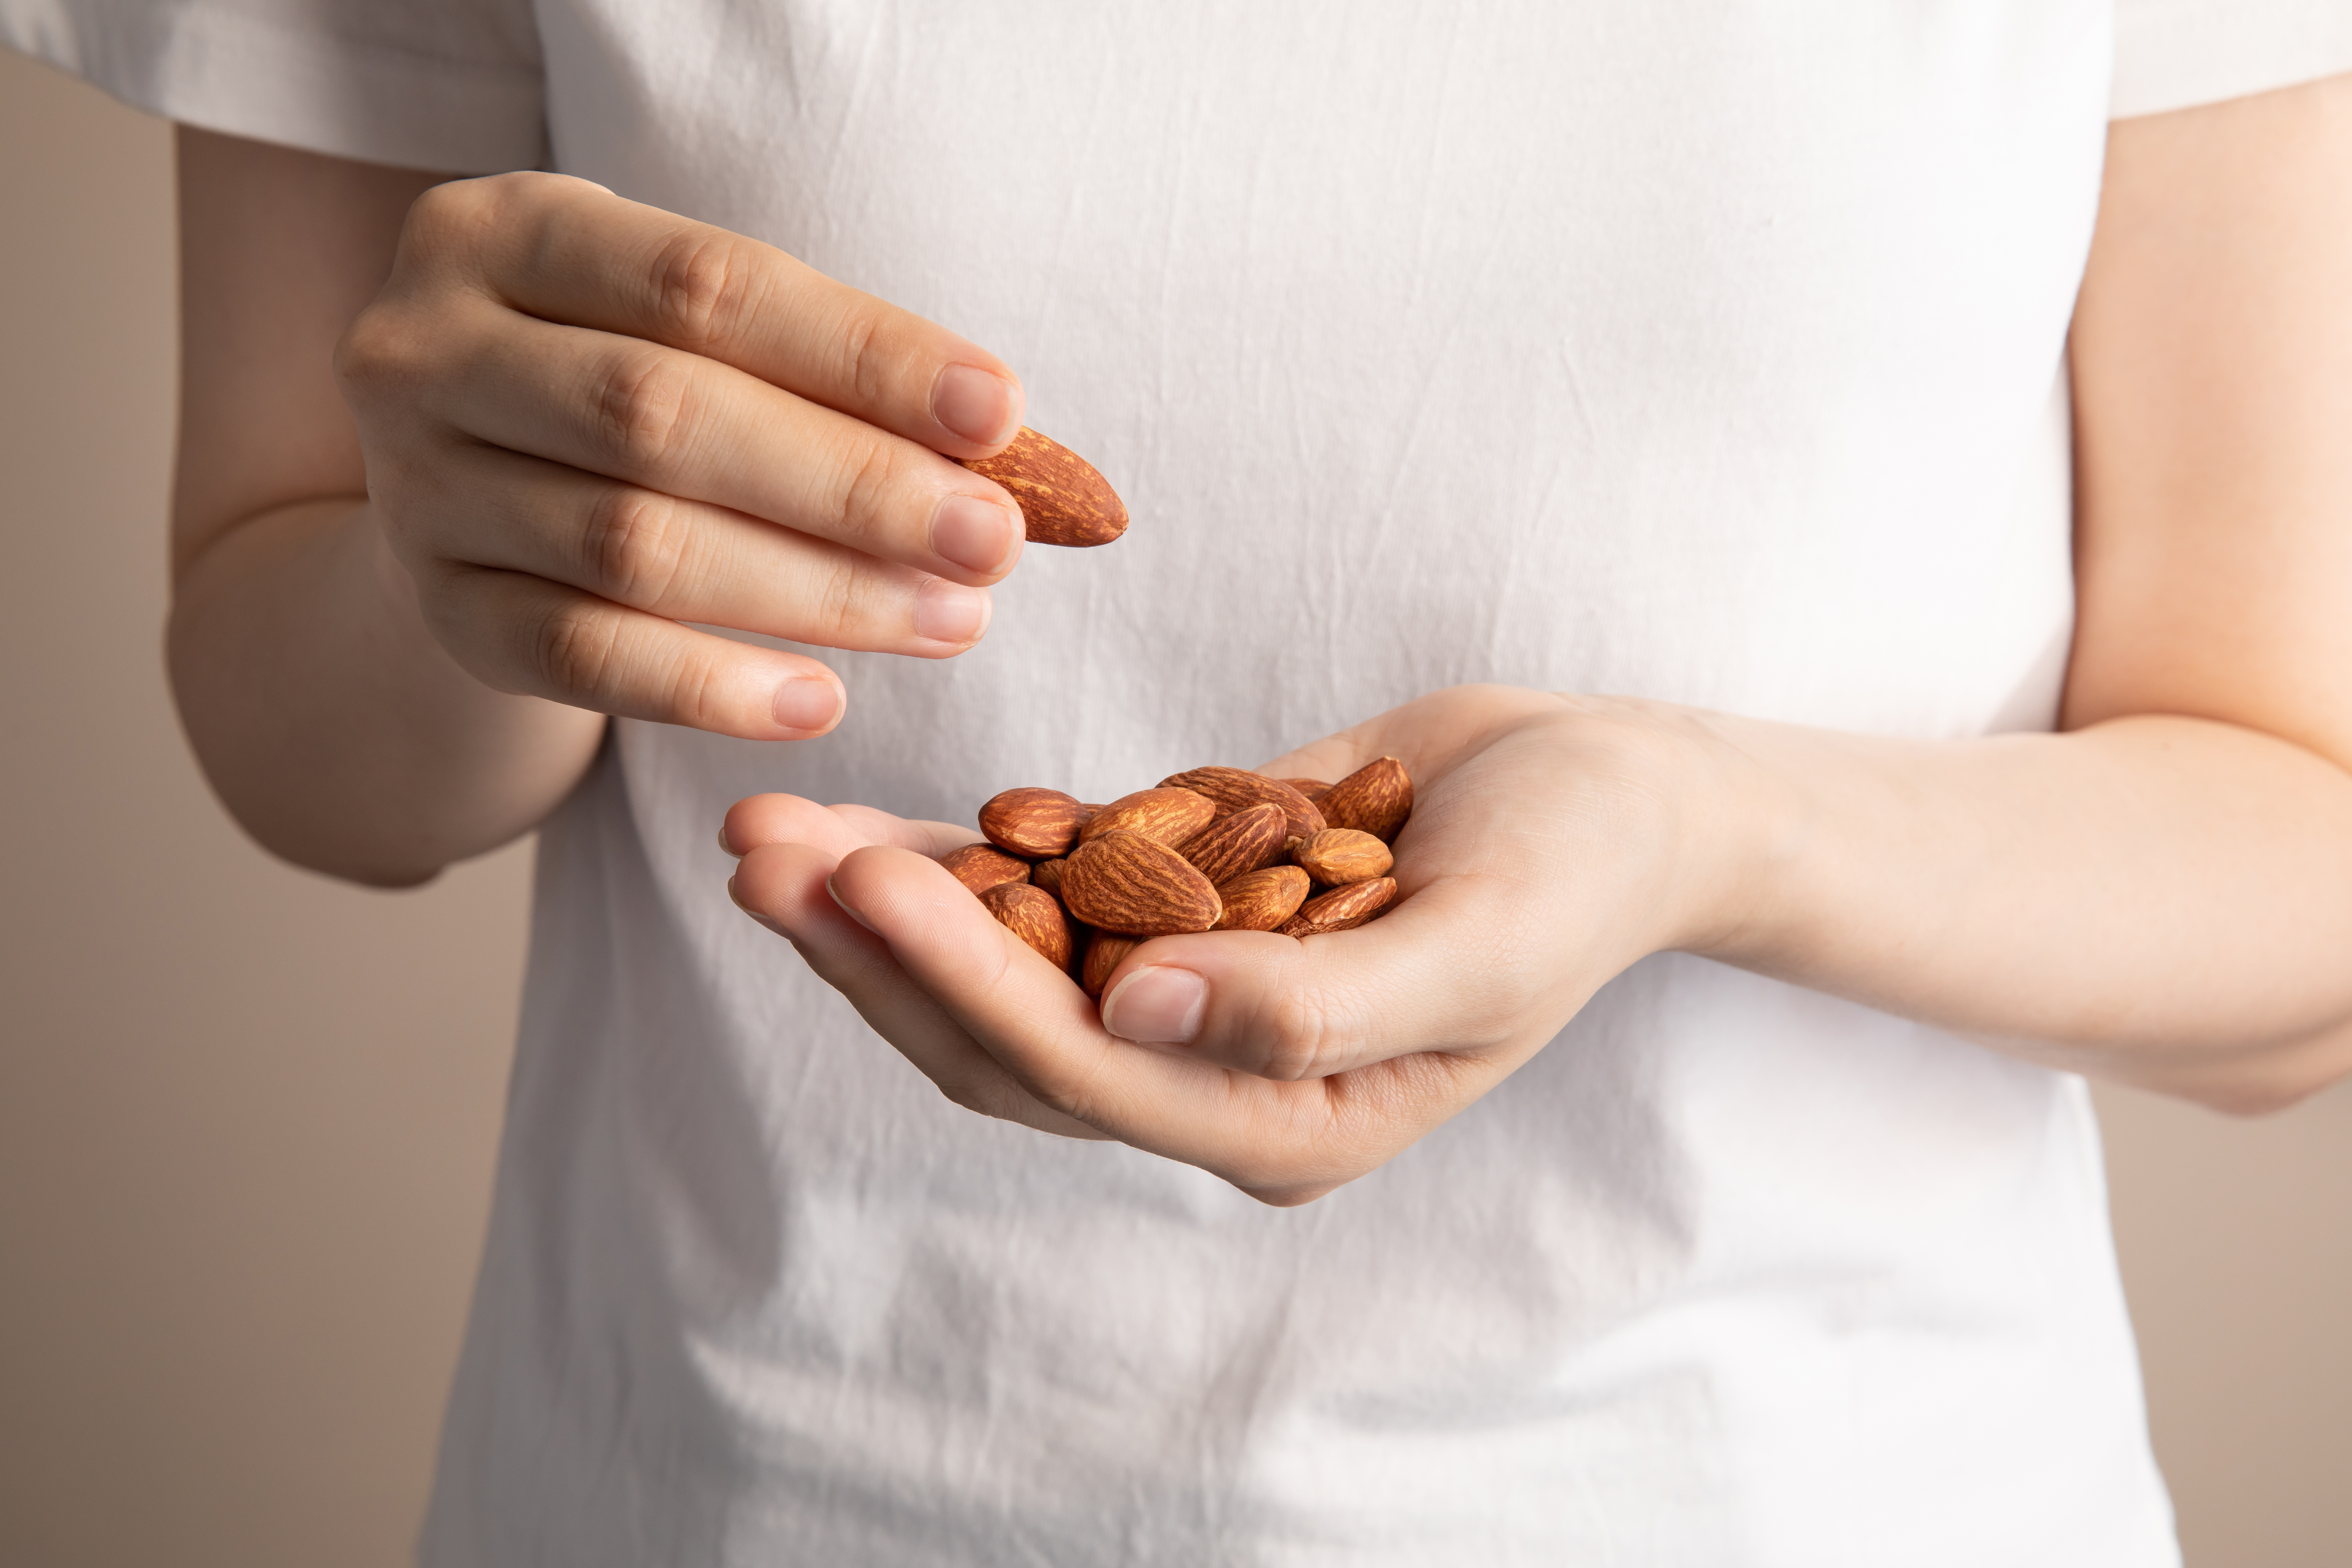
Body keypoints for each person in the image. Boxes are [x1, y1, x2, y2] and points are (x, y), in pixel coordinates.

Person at [8, 0, 2352, 1561]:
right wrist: (479, 552)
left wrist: (1693, 828)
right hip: (747, 1491)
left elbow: (2304, 884)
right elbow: (301, 739)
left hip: (1842, 1502)